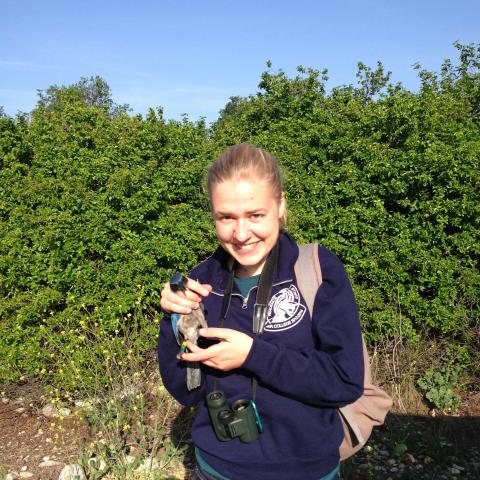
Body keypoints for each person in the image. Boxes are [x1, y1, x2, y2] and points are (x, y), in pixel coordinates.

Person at [158, 143, 364, 480]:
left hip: (307, 470)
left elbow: (344, 381)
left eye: (255, 215)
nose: (241, 234)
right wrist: (173, 319)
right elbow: (186, 389)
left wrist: (254, 355)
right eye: (226, 218)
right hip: (218, 470)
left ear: (280, 205)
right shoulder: (202, 281)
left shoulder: (316, 269)